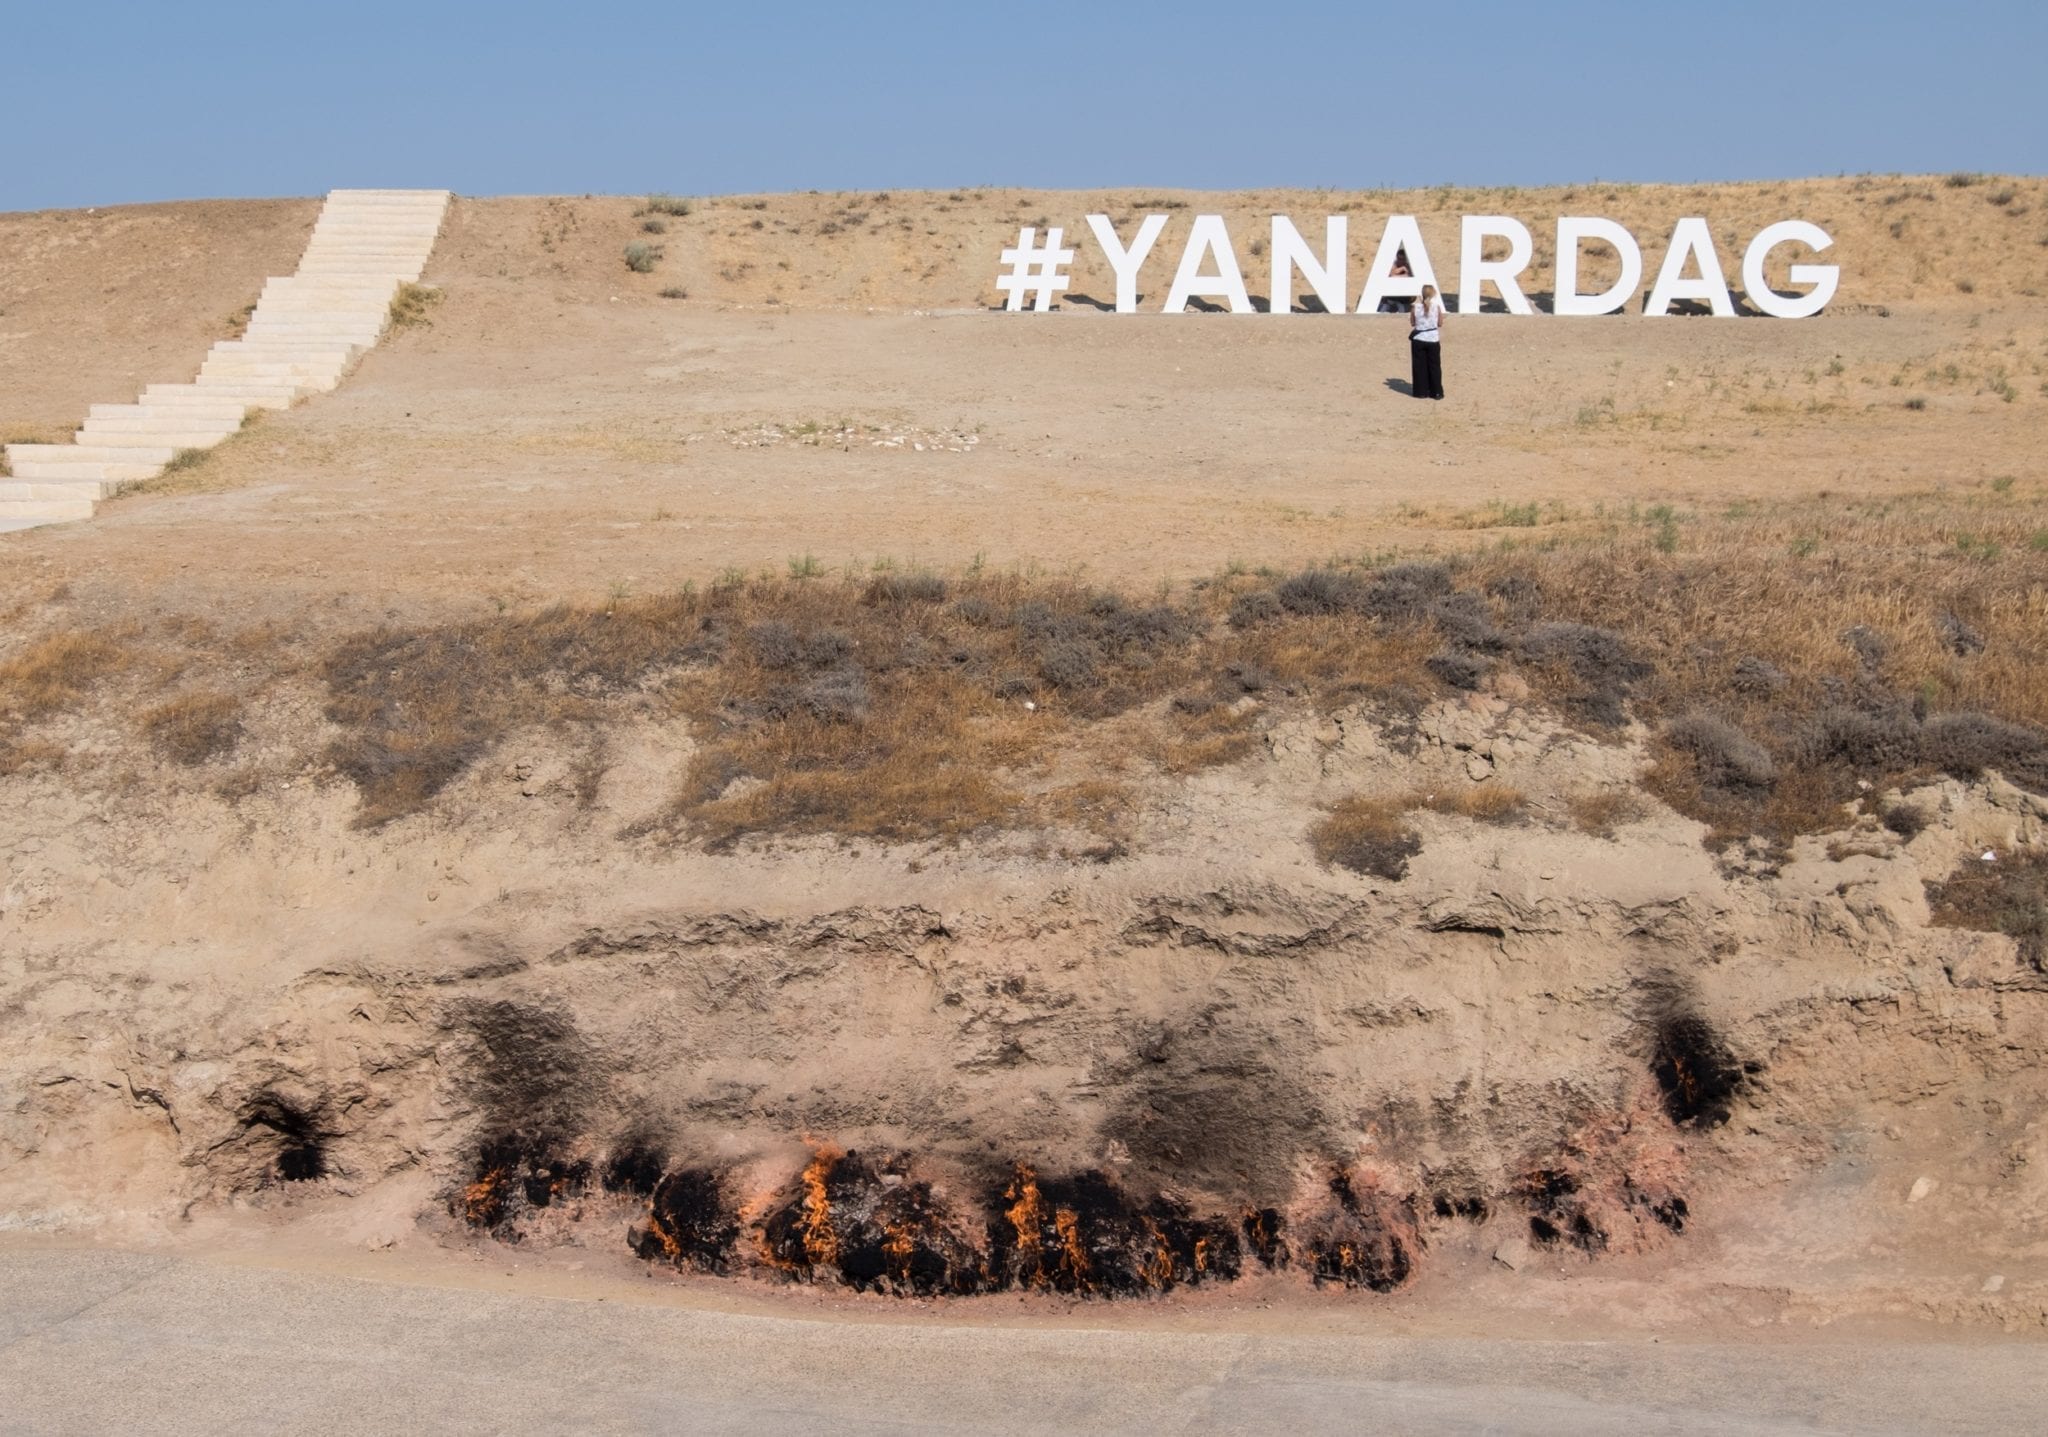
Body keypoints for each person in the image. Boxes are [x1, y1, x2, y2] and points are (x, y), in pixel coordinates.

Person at [1409, 283, 1445, 400]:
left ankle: (1421, 391)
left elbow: (1413, 323)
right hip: (1433, 339)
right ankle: (1436, 392)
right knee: (1434, 366)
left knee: (1419, 366)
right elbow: (1440, 323)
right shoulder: (1437, 307)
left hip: (1418, 339)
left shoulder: (1415, 307)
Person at [1377, 248, 1413, 313]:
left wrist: (1397, 275)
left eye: (1402, 259)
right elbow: (1390, 275)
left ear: (1405, 259)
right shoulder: (1394, 264)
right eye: (1399, 258)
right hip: (1391, 294)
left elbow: (1408, 276)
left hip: (1403, 294)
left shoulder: (1407, 265)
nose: (1400, 261)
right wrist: (1401, 269)